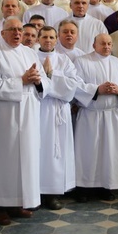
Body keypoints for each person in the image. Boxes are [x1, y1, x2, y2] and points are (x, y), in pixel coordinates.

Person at [0, 17, 51, 224]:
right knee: (4, 159)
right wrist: (21, 80)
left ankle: (18, 202)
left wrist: (38, 81)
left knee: (27, 158)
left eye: (20, 29)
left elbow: (44, 81)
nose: (17, 33)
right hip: (5, 113)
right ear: (2, 33)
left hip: (29, 110)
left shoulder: (29, 52)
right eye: (11, 29)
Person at [73, 34, 118, 201]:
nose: (107, 47)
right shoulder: (82, 61)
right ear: (94, 45)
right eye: (102, 43)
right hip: (90, 114)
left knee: (109, 152)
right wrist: (97, 89)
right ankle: (83, 188)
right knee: (87, 152)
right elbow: (76, 84)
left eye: (109, 44)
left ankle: (106, 186)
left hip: (112, 114)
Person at [35, 26, 79, 210]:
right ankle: (35, 192)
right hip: (37, 110)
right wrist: (46, 79)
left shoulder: (64, 60)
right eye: (44, 36)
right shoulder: (30, 57)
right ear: (38, 38)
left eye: (51, 37)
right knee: (38, 150)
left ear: (56, 40)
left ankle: (52, 193)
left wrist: (49, 75)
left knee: (56, 152)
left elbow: (71, 87)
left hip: (58, 112)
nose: (48, 40)